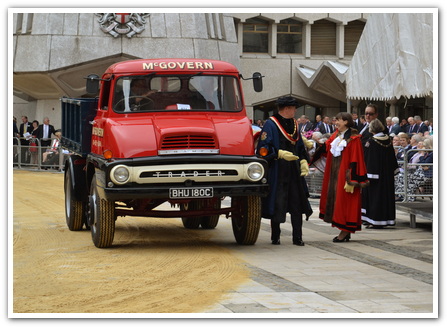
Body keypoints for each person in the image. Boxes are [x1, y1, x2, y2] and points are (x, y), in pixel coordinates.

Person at [256, 96, 313, 246]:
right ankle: (275, 236)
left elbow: (299, 145)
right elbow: (263, 148)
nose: (295, 111)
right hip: (278, 170)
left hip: (294, 170)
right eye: (294, 108)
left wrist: (303, 160)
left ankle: (298, 237)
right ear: (287, 109)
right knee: (278, 203)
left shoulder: (294, 124)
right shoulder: (270, 124)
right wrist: (278, 154)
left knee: (297, 203)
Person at [318, 112, 369, 242]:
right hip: (335, 175)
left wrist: (352, 179)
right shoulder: (336, 135)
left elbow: (356, 159)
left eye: (338, 120)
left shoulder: (354, 138)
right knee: (338, 202)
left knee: (345, 203)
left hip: (346, 176)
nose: (336, 123)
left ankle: (345, 231)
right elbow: (327, 147)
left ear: (346, 121)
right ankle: (345, 231)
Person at [361, 119, 399, 228]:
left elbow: (369, 159)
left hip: (375, 176)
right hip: (386, 176)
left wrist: (368, 174)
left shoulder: (372, 142)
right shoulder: (388, 140)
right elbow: (392, 159)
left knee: (375, 198)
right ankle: (387, 220)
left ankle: (375, 220)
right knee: (385, 197)